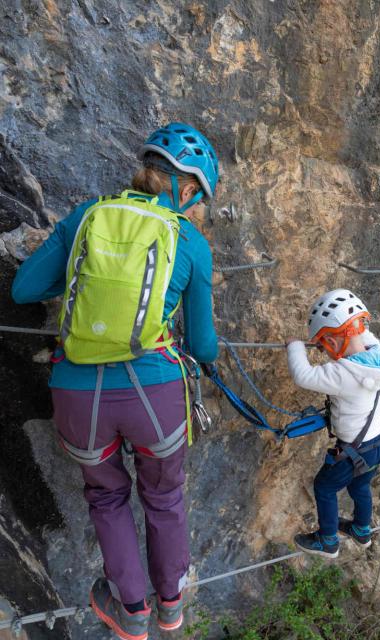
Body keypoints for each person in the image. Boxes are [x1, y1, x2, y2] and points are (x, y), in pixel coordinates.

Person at [11, 123, 219, 640]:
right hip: (153, 395)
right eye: (199, 198)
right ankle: (170, 604)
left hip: (79, 395)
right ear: (187, 187)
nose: (196, 208)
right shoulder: (189, 241)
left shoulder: (88, 216)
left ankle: (131, 612)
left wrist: (84, 276)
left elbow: (24, 288)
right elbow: (204, 347)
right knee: (164, 498)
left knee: (106, 498)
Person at [285, 289, 380, 558]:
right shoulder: (378, 357)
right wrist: (352, 327)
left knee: (324, 487)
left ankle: (327, 541)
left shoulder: (344, 373)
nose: (324, 350)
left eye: (325, 343)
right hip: (378, 445)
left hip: (353, 452)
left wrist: (295, 346)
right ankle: (361, 530)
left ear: (335, 343)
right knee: (360, 486)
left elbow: (303, 375)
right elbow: (364, 336)